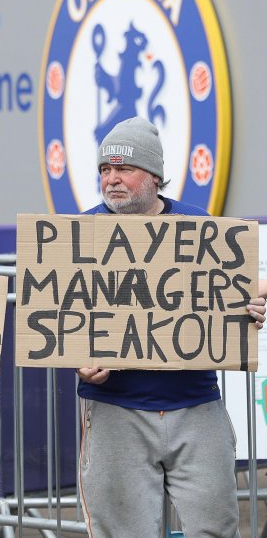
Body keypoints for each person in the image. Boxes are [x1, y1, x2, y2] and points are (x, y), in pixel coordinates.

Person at [77, 117, 267, 537]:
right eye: (104, 170)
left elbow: (231, 293)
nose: (111, 180)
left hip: (196, 406)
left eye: (123, 168)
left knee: (216, 528)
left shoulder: (199, 225)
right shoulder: (80, 233)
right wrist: (79, 361)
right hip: (116, 411)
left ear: (154, 176)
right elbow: (66, 320)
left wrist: (249, 308)